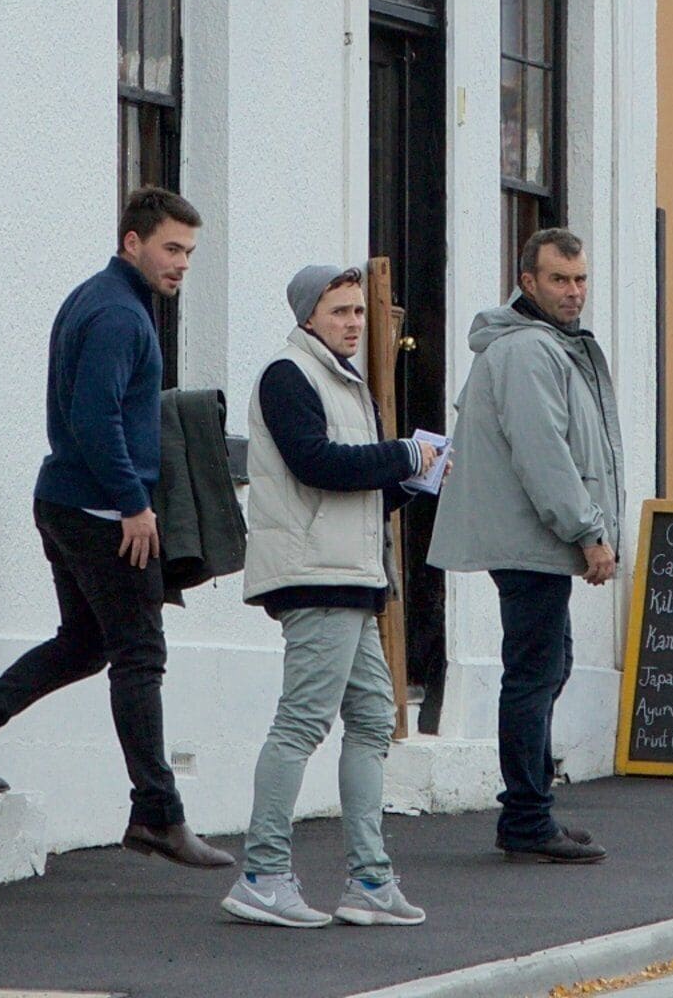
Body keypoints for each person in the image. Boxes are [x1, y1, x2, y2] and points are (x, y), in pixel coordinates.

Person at [0, 187, 232, 869]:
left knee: (86, 643)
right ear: (134, 242)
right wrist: (134, 502)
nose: (181, 263)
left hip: (65, 502)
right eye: (171, 249)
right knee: (139, 655)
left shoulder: (94, 298)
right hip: (102, 513)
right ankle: (157, 813)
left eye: (189, 252)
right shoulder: (122, 315)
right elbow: (95, 419)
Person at [223, 264, 441, 930]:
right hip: (316, 574)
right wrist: (403, 456)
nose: (352, 322)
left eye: (355, 311)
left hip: (353, 574)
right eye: (338, 311)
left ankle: (369, 879)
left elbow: (360, 486)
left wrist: (416, 476)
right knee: (303, 722)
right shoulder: (288, 376)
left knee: (375, 719)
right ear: (307, 316)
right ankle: (262, 873)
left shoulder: (348, 382)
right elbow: (316, 464)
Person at [428, 227, 624, 865]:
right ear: (528, 282)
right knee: (535, 671)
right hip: (528, 537)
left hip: (528, 537)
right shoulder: (529, 351)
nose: (574, 292)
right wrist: (588, 530)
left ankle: (533, 809)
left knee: (547, 665)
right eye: (560, 280)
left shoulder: (544, 346)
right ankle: (526, 818)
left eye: (581, 279)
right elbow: (545, 454)